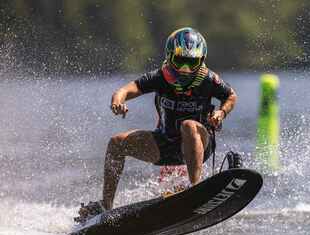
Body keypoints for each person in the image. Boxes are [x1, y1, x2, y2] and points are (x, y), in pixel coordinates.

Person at [76, 27, 237, 222]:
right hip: (166, 144)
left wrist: (221, 112)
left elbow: (230, 95)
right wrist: (118, 102)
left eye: (192, 62)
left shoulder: (210, 80)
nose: (185, 69)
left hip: (200, 142)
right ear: (170, 57)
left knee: (188, 125)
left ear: (201, 60)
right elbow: (124, 90)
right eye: (180, 61)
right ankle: (106, 204)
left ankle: (195, 189)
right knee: (116, 143)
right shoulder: (159, 77)